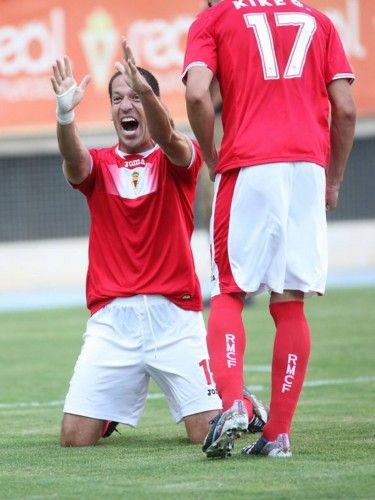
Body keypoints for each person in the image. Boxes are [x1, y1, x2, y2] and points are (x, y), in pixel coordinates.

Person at [183, 0, 356, 458]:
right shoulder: (319, 20)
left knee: (228, 291)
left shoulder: (215, 15)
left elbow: (198, 93)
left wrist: (213, 154)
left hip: (250, 164)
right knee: (290, 303)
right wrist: (333, 178)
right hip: (307, 169)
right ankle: (278, 434)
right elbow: (345, 110)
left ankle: (234, 400)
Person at [50, 38, 223, 447]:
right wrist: (64, 114)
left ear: (153, 104)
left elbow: (170, 139)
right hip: (112, 322)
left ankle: (240, 403)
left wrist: (147, 93)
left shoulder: (179, 158)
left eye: (136, 97)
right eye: (117, 99)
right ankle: (107, 414)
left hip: (175, 318)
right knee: (74, 440)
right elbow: (74, 162)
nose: (126, 105)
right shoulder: (100, 164)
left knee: (206, 436)